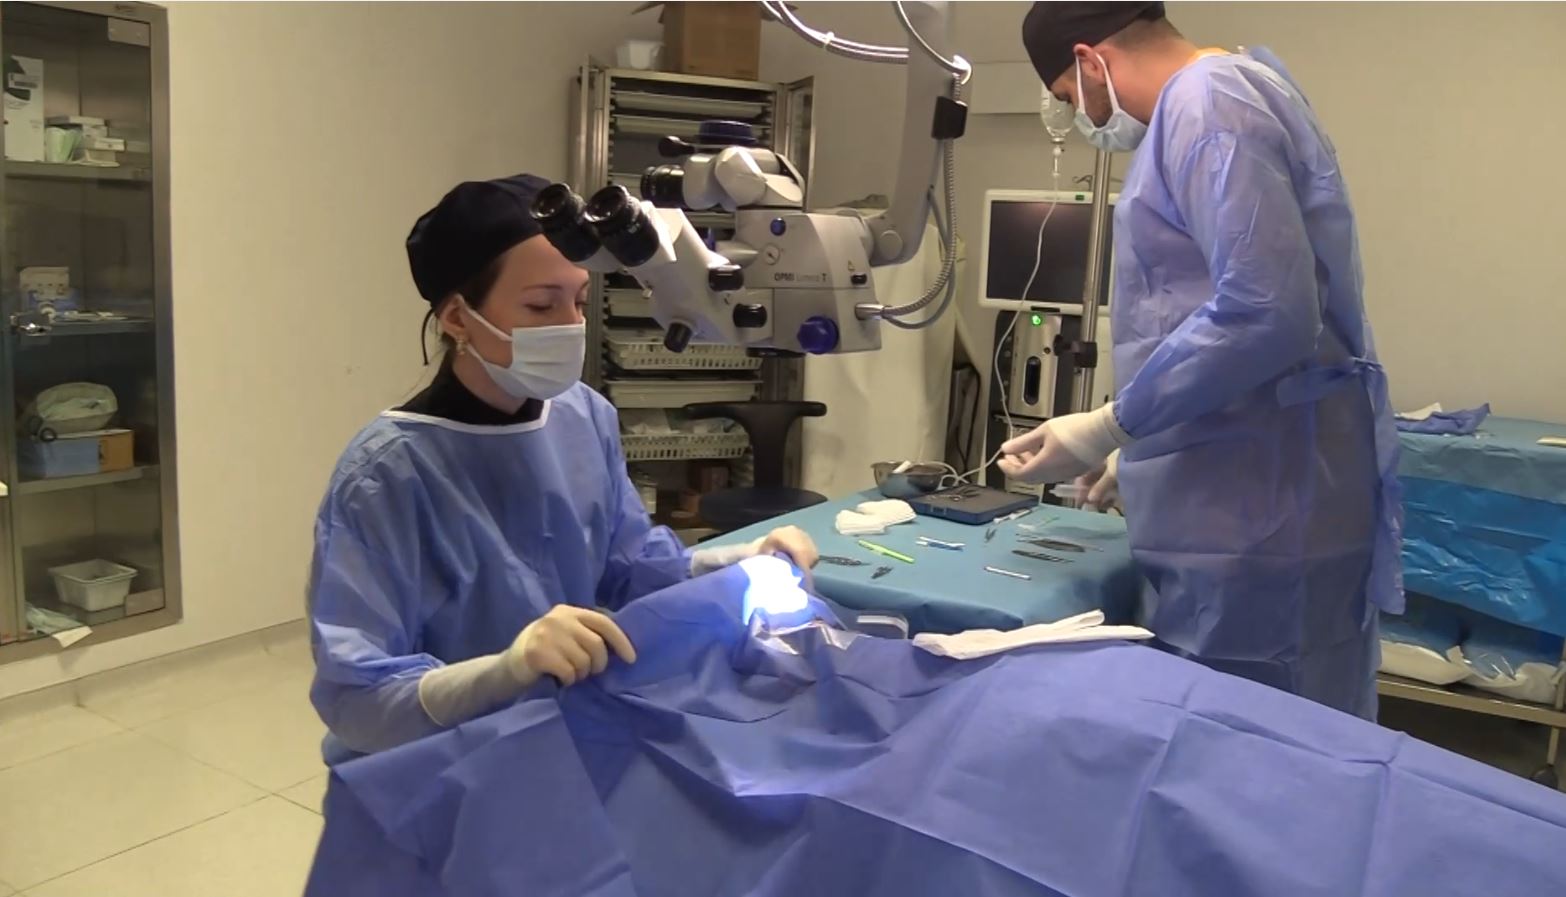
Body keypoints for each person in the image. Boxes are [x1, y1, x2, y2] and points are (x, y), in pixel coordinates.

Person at [307, 173, 818, 757]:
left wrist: (742, 561)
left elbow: (632, 569)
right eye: (540, 304)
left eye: (578, 300)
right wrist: (507, 668)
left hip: (559, 736)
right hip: (436, 767)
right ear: (457, 318)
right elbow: (358, 699)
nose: (571, 324)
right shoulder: (386, 476)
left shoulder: (583, 417)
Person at [1007, 4, 1402, 718]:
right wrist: (1147, 443)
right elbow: (1215, 309)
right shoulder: (1236, 89)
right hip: (1259, 481)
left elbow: (1265, 311)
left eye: (1070, 98)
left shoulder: (1209, 105)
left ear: (1090, 61)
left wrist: (1109, 425)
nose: (1085, 118)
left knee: (1257, 747)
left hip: (1259, 516)